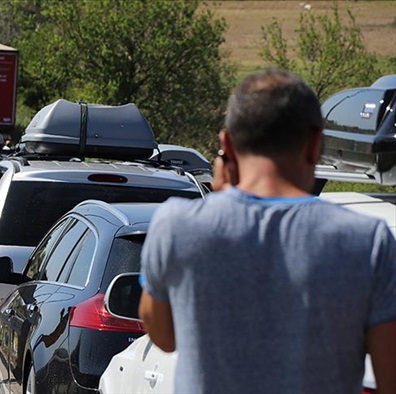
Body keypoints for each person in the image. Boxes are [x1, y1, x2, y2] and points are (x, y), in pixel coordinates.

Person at [137, 69, 396, 393]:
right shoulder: (368, 242)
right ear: (316, 144)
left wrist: (220, 203)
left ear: (227, 144)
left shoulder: (175, 226)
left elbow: (164, 336)